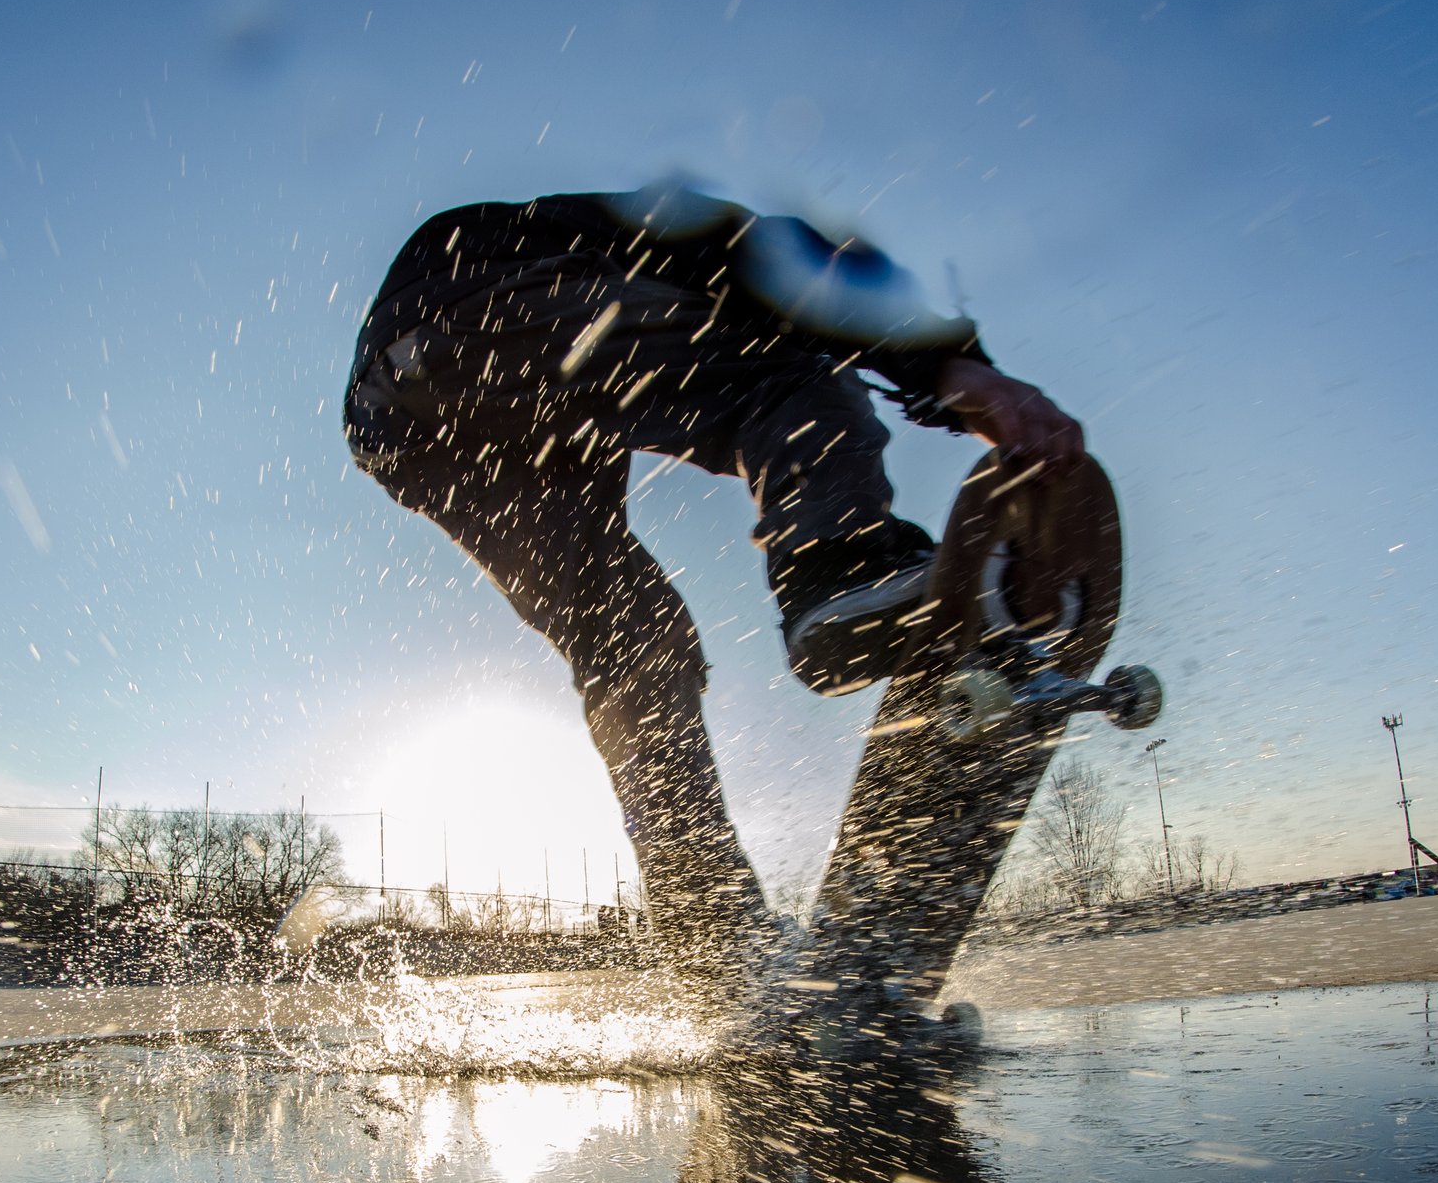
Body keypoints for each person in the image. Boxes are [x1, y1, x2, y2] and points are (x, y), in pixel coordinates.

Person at [343, 184, 1086, 974]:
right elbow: (788, 264)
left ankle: (718, 950)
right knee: (786, 374)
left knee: (631, 637)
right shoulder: (665, 238)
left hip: (402, 419)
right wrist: (956, 367)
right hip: (484, 307)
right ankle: (839, 572)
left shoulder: (565, 292)